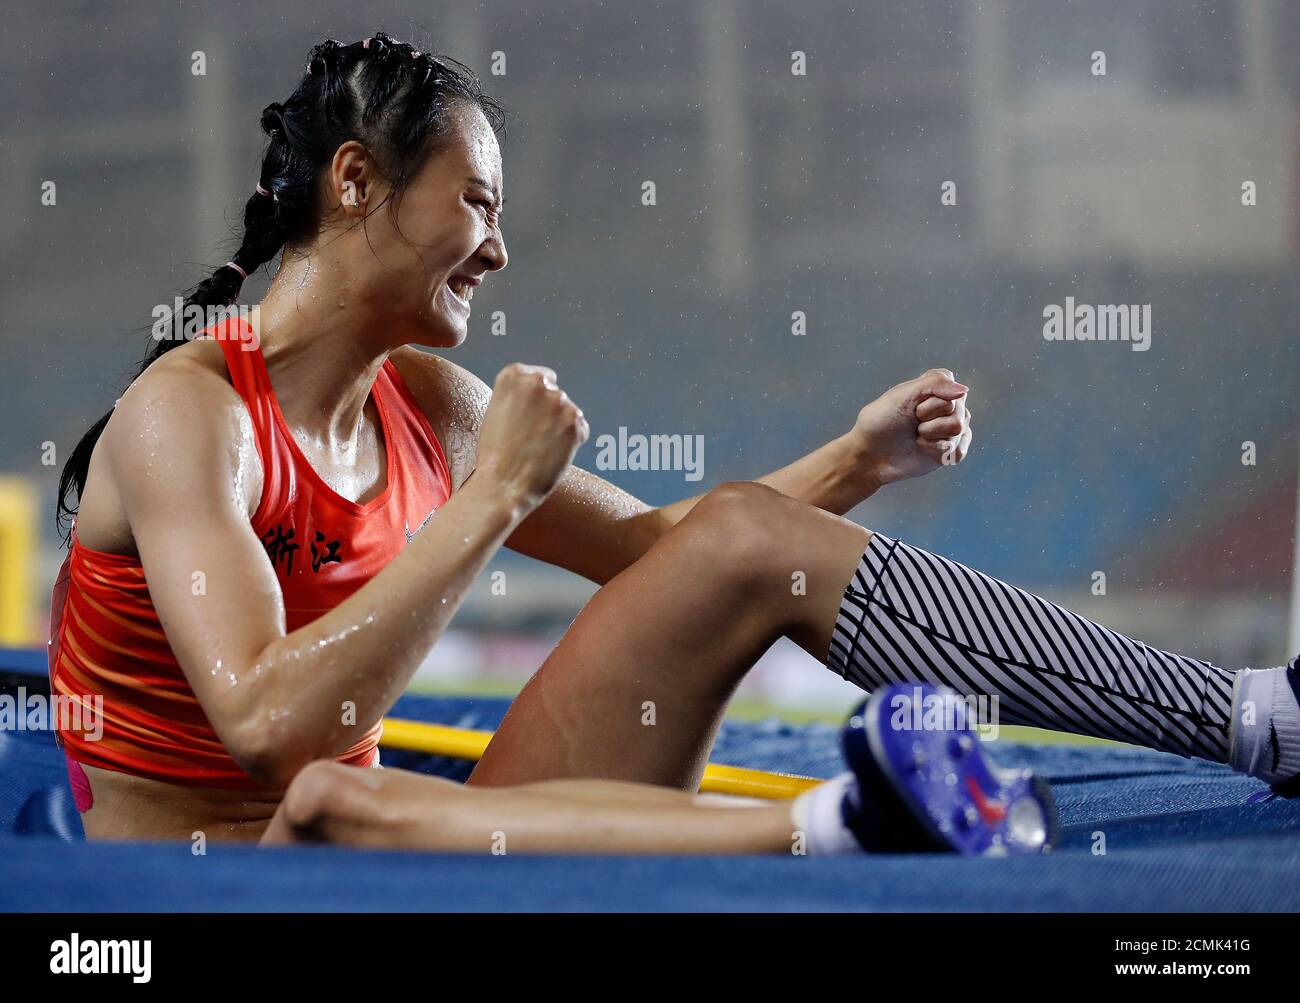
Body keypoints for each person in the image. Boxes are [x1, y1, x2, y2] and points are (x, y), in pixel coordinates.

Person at [50, 33, 1296, 855]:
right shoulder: (191, 414)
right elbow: (271, 728)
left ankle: (1257, 718)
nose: (498, 246)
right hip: (223, 890)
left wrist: (853, 463)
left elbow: (664, 549)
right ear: (358, 181)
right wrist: (484, 506)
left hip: (412, 854)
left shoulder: (427, 400)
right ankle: (837, 827)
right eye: (476, 201)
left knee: (743, 540)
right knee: (327, 799)